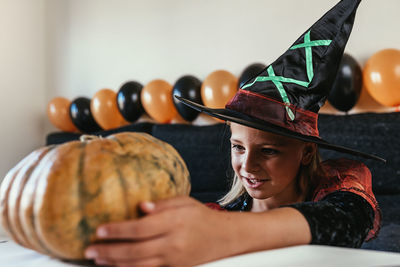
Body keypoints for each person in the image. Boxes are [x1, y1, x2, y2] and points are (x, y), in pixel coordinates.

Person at [84, 0, 384, 266]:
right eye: (238, 147)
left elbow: (347, 219)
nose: (247, 166)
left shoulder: (341, 182)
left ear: (306, 152)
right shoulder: (215, 215)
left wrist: (224, 234)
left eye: (268, 151)